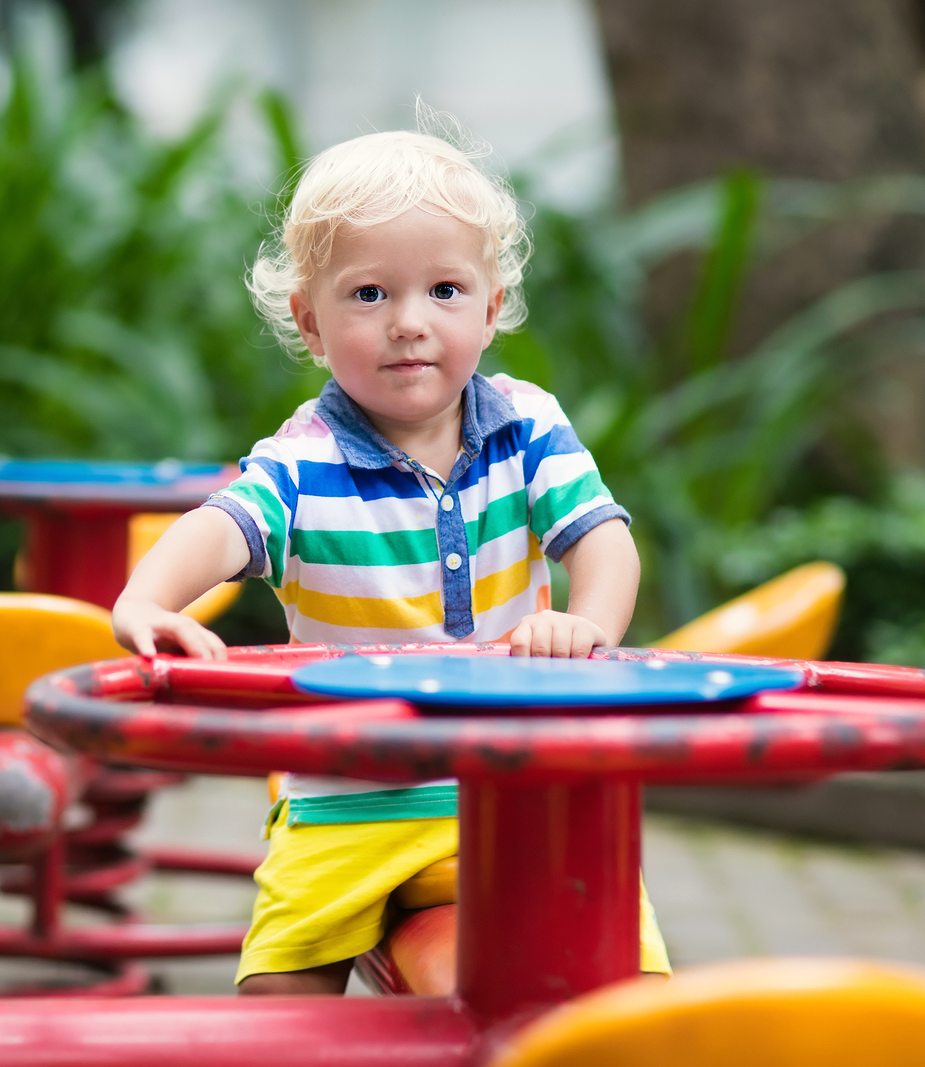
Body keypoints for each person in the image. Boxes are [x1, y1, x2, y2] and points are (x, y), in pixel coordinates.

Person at [112, 115, 671, 994]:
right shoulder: (302, 462)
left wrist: (587, 623)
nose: (410, 322)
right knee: (279, 1004)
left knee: (623, 976)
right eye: (370, 294)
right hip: (350, 796)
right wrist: (148, 599)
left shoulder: (528, 427)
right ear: (310, 322)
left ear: (490, 309)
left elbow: (602, 537)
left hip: (528, 783)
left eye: (444, 290)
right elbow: (220, 526)